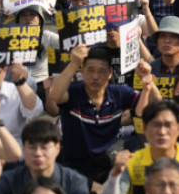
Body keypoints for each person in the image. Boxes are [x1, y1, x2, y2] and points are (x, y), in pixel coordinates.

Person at [45, 44, 160, 184]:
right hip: (74, 168)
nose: (95, 76)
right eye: (91, 70)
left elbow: (157, 105)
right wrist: (73, 64)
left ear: (110, 73)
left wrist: (147, 81)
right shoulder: (74, 92)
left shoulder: (119, 93)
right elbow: (54, 96)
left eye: (101, 71)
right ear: (82, 71)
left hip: (109, 166)